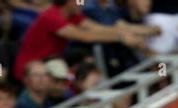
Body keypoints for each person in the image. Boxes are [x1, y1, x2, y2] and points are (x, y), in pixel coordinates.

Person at [14, 0, 146, 82]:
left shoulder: (73, 15)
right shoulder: (51, 17)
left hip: (52, 66)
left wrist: (128, 33)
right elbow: (86, 36)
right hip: (30, 71)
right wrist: (121, 38)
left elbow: (98, 29)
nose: (82, 2)